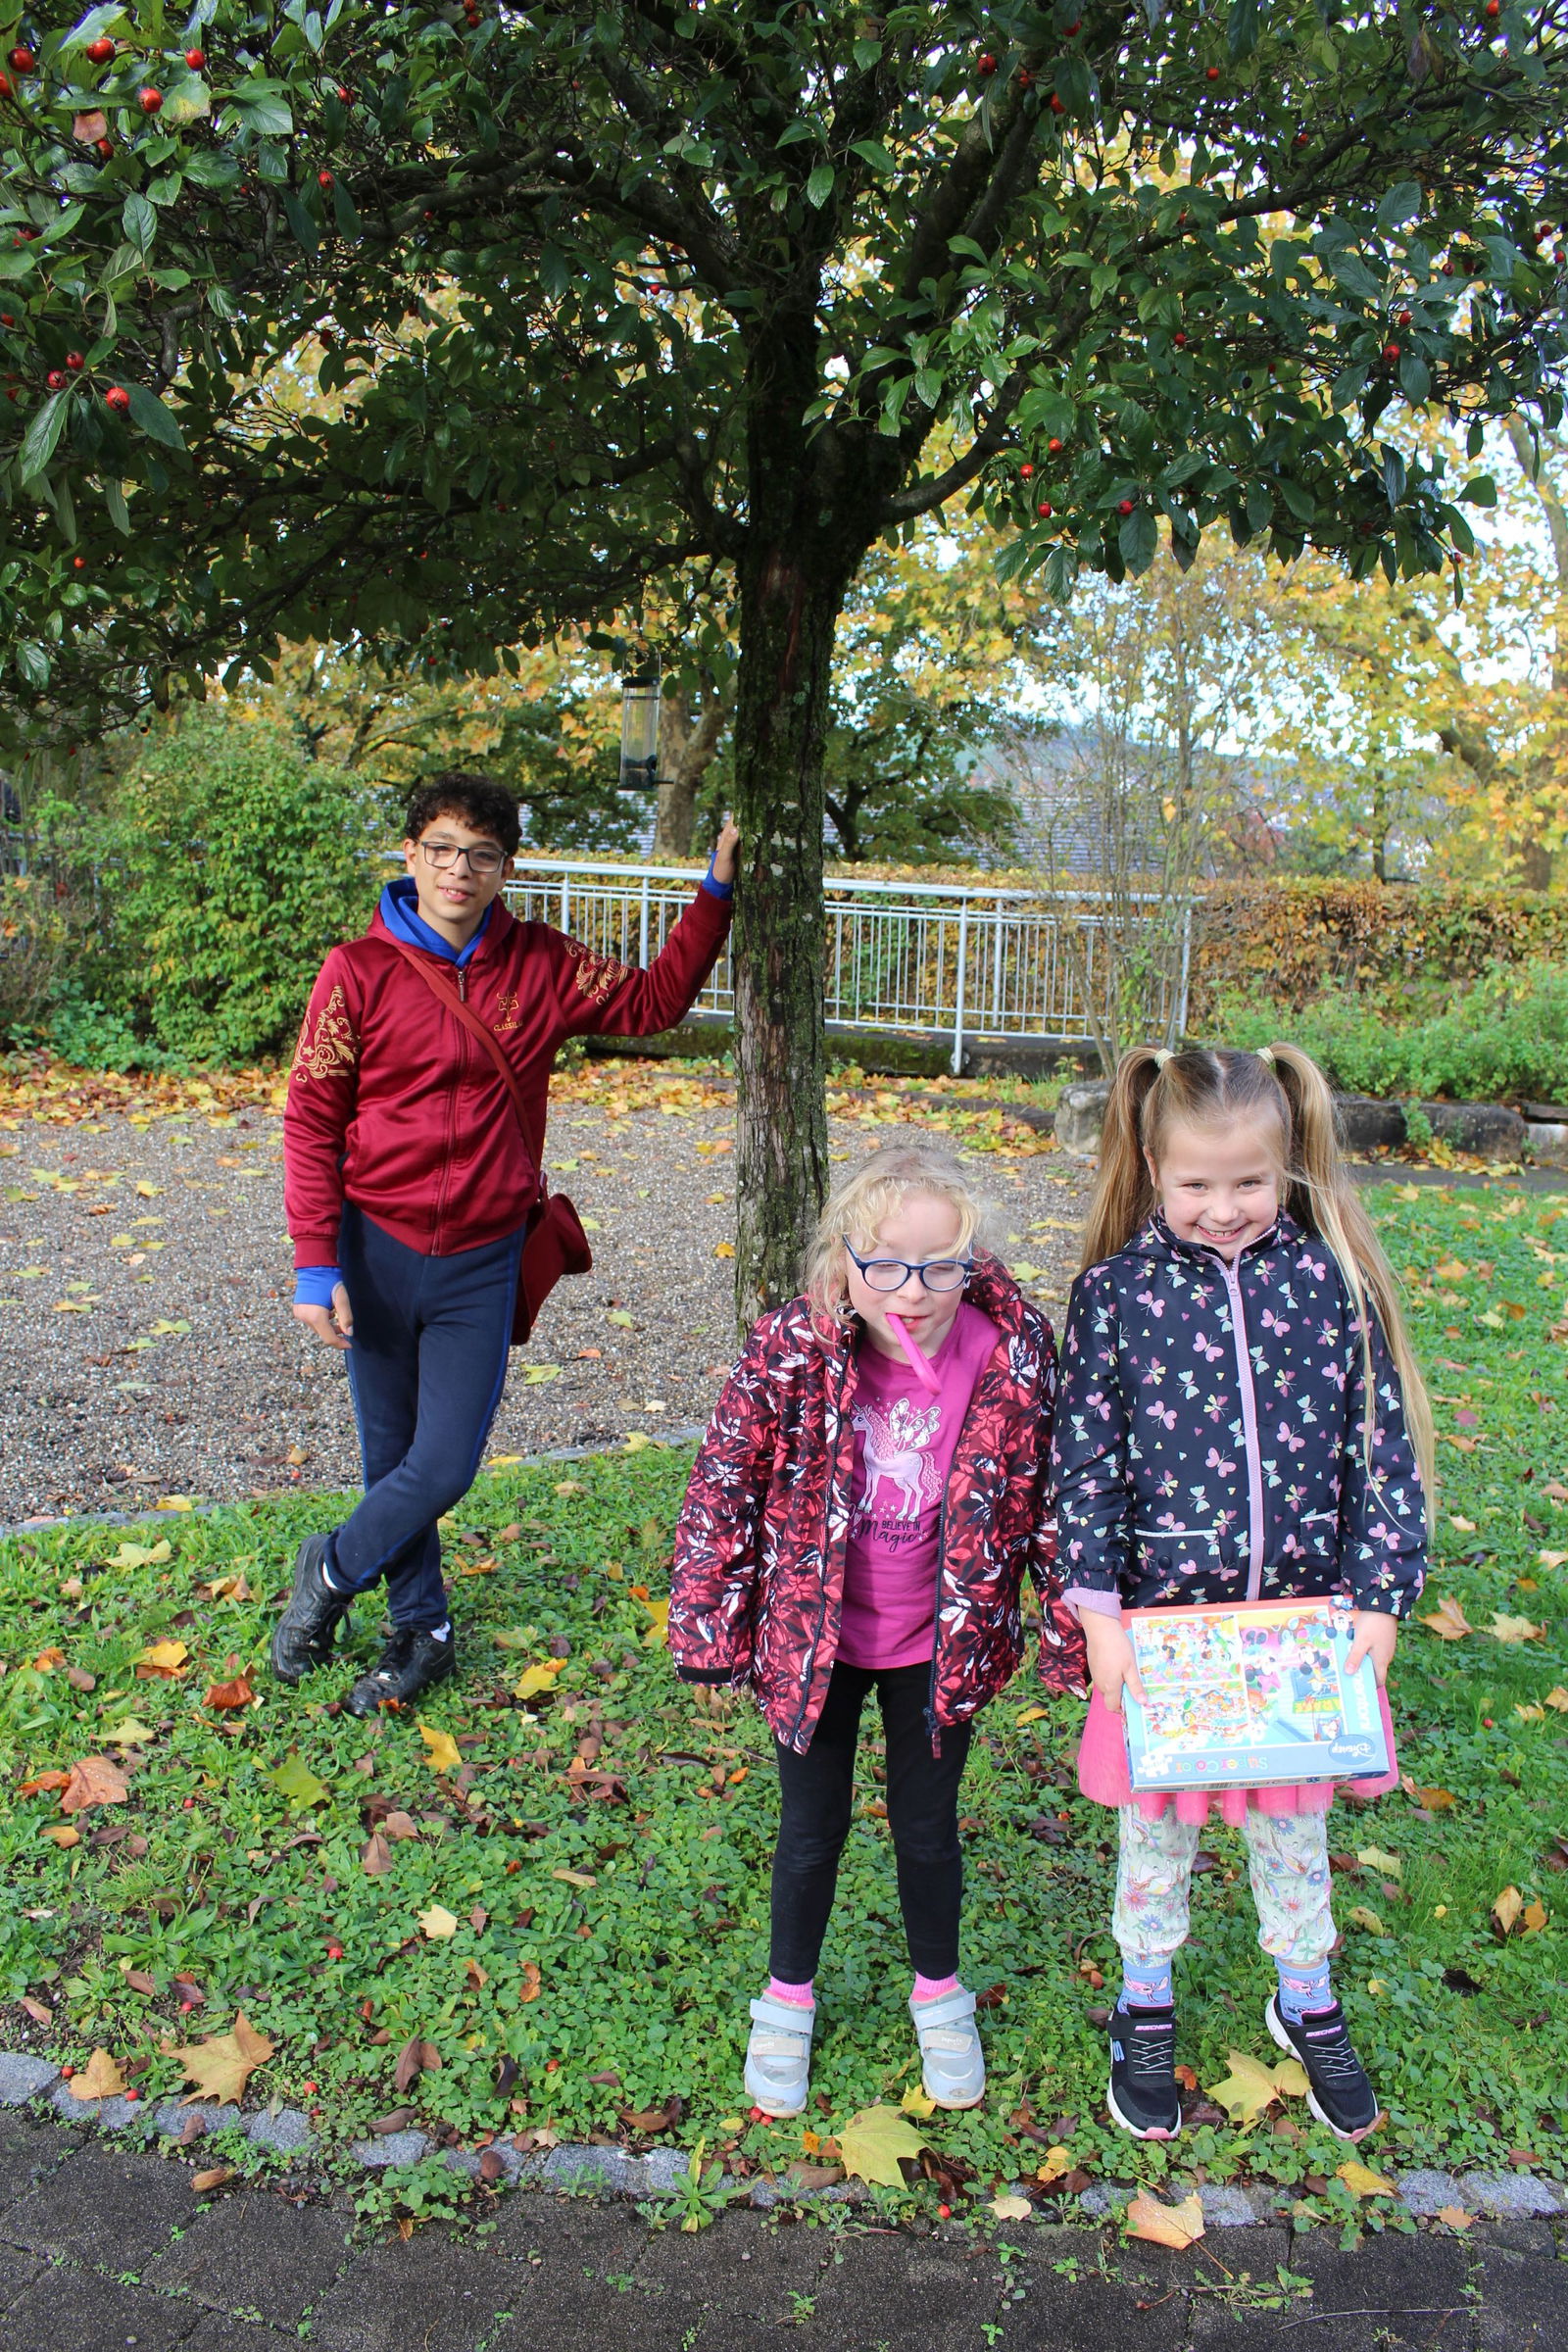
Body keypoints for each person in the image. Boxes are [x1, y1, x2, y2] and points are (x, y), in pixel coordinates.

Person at [273, 771, 737, 1715]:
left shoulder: (543, 964)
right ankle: (425, 1628)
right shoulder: (354, 974)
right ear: (410, 856)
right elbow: (311, 1120)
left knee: (440, 1467)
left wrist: (716, 891)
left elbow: (653, 1002)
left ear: (505, 868)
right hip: (375, 1249)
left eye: (481, 854)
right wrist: (316, 1263)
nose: (459, 869)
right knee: (389, 1457)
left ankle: (327, 1571)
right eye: (441, 848)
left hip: (482, 1260)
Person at [1052, 1044, 1433, 2144]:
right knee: (1155, 1843)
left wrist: (1378, 1597)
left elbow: (1380, 1452)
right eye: (1195, 1184)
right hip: (1165, 1644)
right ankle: (1145, 2004)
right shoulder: (1114, 1294)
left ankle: (1304, 2000)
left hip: (1300, 1643)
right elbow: (1085, 1466)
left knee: (1293, 1841)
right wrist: (1098, 1618)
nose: (1223, 1208)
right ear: (1153, 1168)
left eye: (1249, 1183)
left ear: (1290, 1166)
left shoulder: (1330, 1283)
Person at [668, 1145, 1085, 2118]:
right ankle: (786, 2003)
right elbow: (723, 1483)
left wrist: (1072, 1629)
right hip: (812, 1644)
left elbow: (1050, 1501)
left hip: (938, 1647)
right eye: (887, 1265)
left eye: (939, 1265)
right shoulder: (793, 1346)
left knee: (927, 1828)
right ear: (843, 1256)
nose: (913, 1290)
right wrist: (707, 1621)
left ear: (969, 1260)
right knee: (809, 1831)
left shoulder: (1009, 1353)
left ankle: (939, 1996)